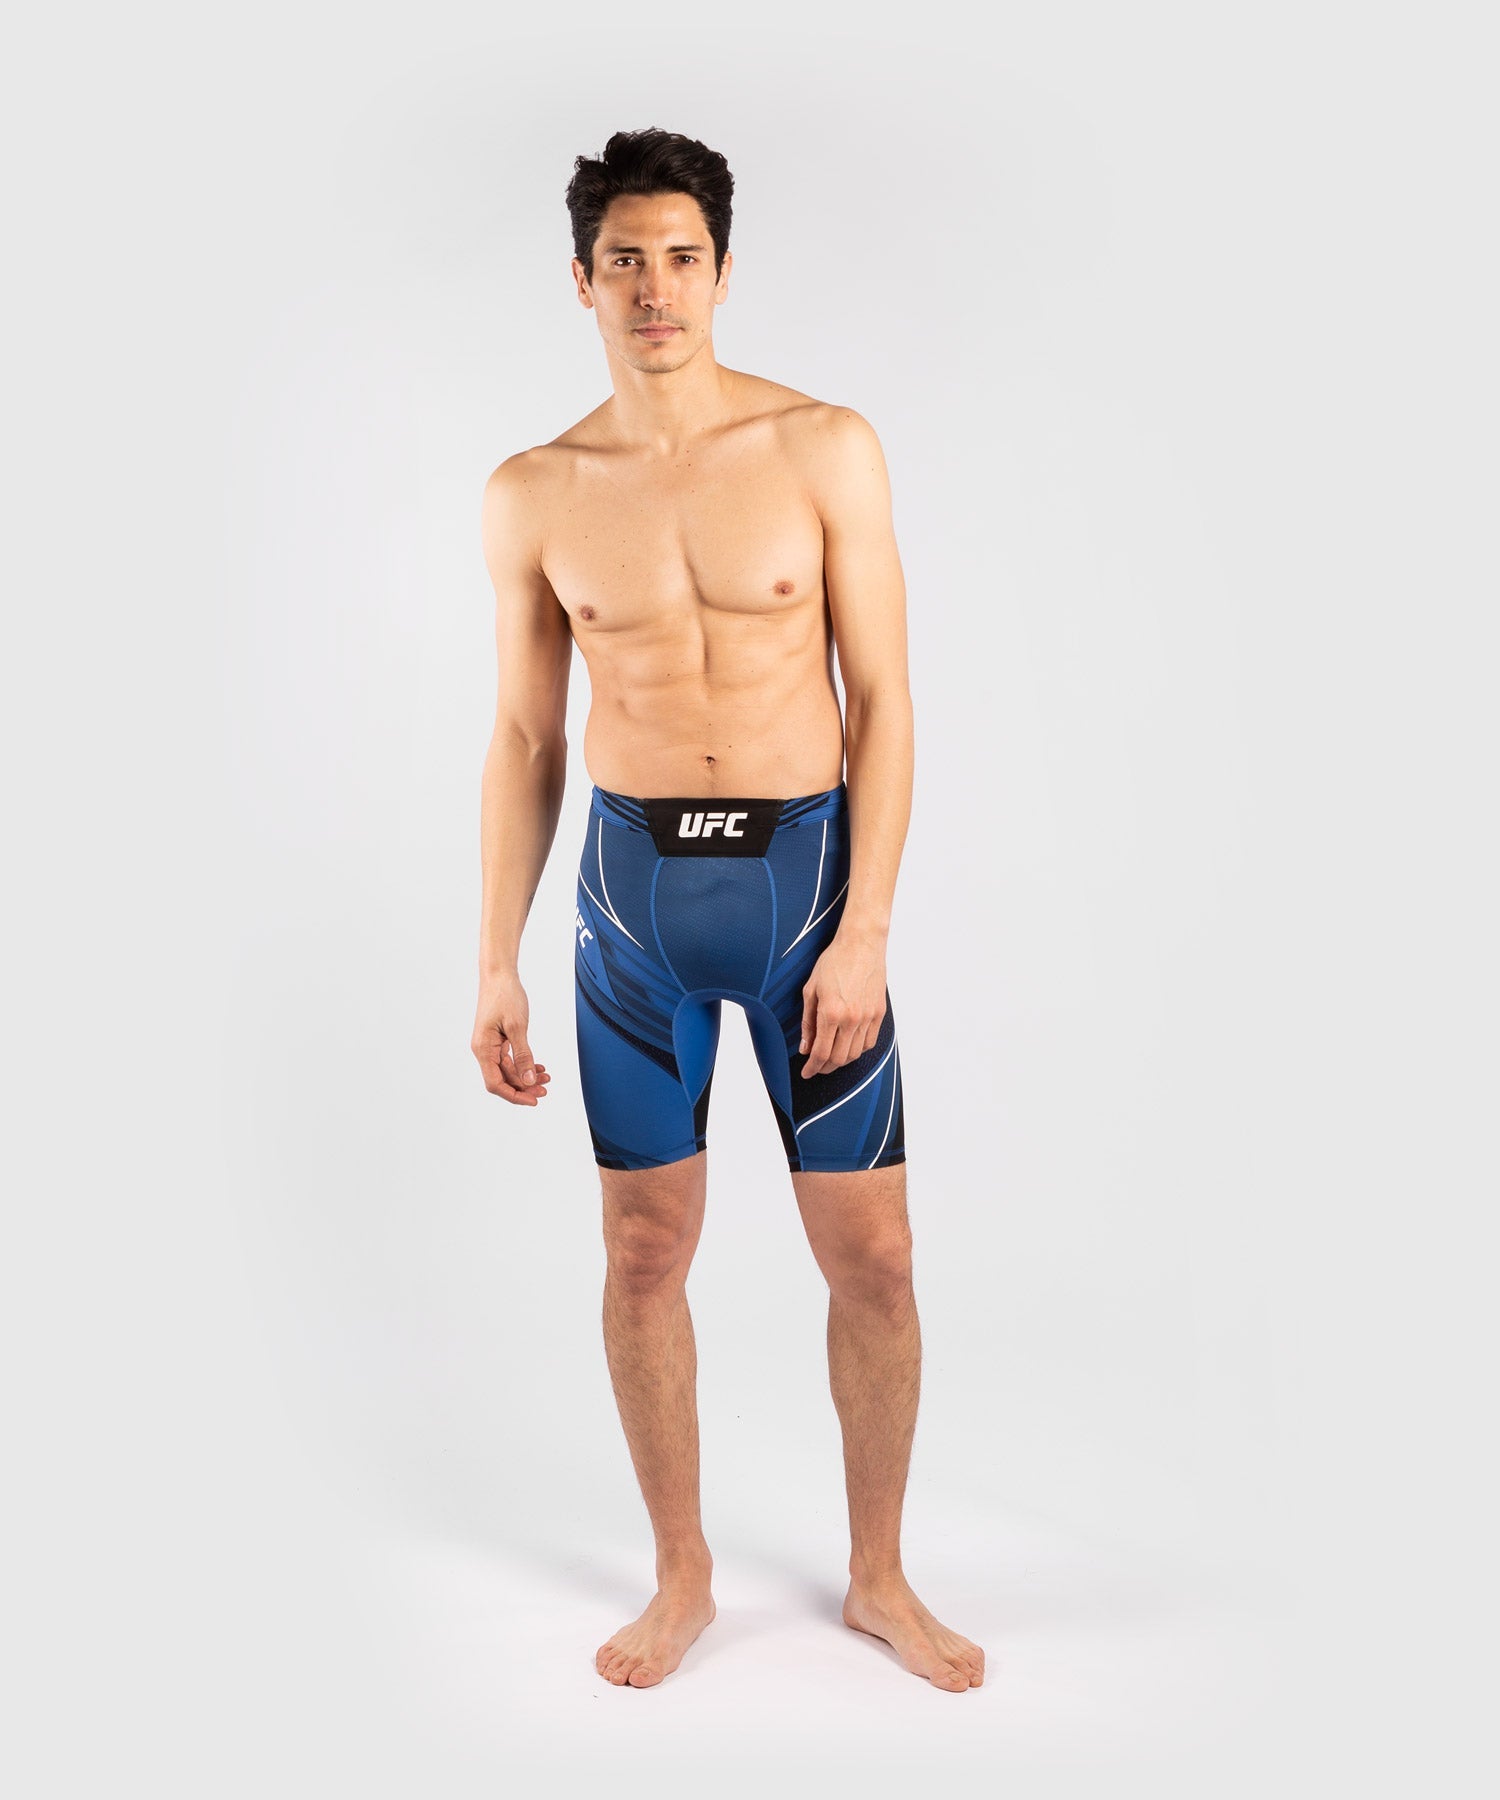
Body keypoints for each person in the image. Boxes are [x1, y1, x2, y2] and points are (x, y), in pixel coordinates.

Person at [471, 128, 983, 1694]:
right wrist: (493, 958)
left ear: (723, 272)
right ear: (580, 280)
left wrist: (866, 929)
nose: (655, 289)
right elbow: (527, 737)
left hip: (806, 897)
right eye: (624, 260)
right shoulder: (536, 492)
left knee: (875, 1256)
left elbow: (886, 700)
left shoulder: (823, 448)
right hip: (631, 910)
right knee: (643, 1250)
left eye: (681, 258)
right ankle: (681, 1571)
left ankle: (879, 1576)